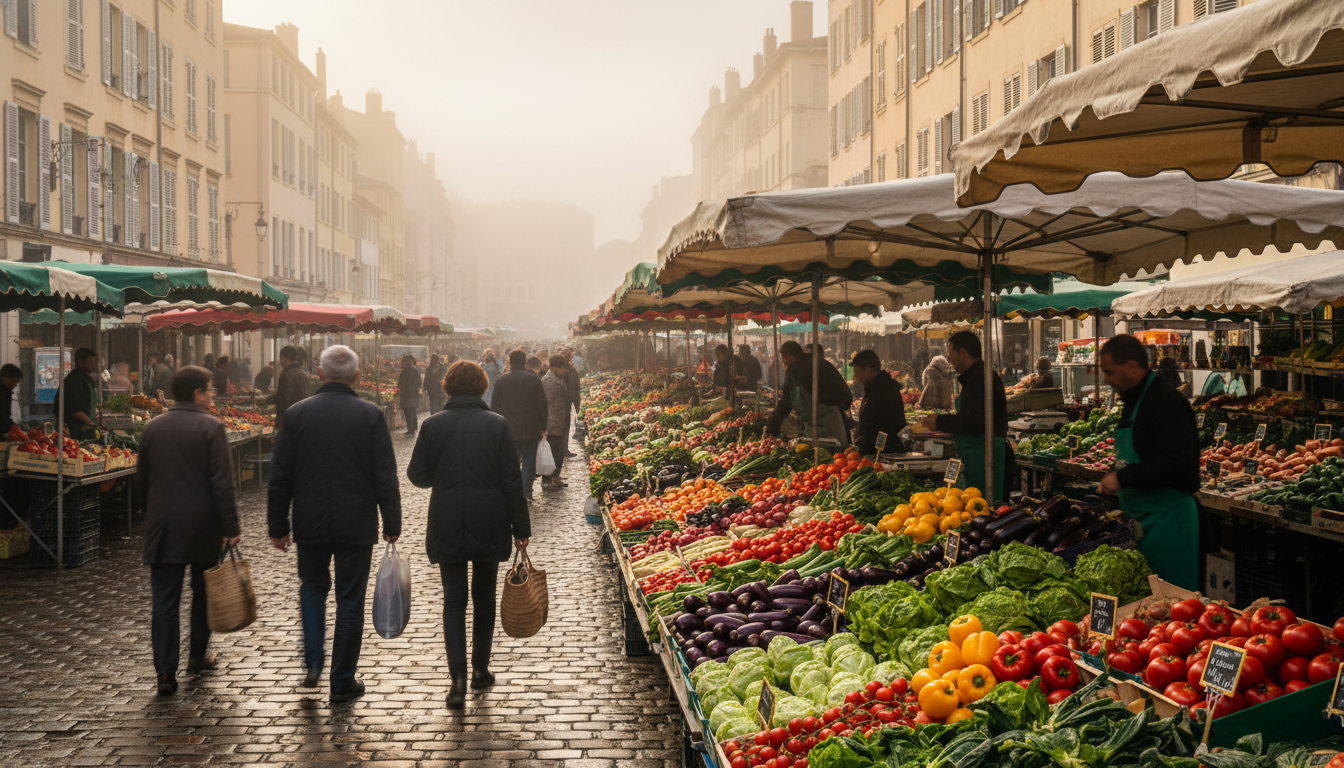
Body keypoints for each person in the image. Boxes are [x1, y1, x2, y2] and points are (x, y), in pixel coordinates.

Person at [267, 346, 401, 702]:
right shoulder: (370, 415)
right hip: (355, 522)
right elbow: (384, 474)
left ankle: (313, 662)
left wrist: (278, 525)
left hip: (309, 520)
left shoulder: (296, 414)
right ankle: (341, 679)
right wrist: (392, 520)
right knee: (349, 599)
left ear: (320, 374)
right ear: (356, 376)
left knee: (312, 589)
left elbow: (280, 475)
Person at [407, 361, 531, 709]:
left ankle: (457, 681)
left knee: (453, 601)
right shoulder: (496, 426)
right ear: (481, 387)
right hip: (489, 517)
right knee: (484, 598)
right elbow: (511, 481)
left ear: (447, 386)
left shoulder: (433, 425)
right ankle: (480, 669)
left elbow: (416, 474)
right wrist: (521, 529)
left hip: (447, 517)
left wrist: (444, 478)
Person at [137, 365, 239, 696]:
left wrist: (151, 512)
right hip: (202, 525)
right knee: (202, 593)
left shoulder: (153, 428)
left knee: (165, 601)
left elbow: (141, 480)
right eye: (211, 391)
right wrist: (231, 526)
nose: (213, 397)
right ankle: (197, 655)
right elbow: (222, 484)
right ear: (197, 393)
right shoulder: (212, 428)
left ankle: (165, 673)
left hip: (163, 525)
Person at [1096, 334, 1200, 590]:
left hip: (1170, 524)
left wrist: (1122, 477)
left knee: (1173, 607)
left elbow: (1178, 462)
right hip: (1141, 520)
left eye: (1109, 372)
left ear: (1131, 366)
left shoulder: (1166, 402)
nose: (1106, 379)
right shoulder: (1133, 400)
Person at [918, 331, 1008, 502]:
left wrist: (940, 421)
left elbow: (975, 421)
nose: (949, 360)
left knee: (983, 506)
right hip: (976, 453)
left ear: (963, 353)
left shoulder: (981, 378)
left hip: (985, 454)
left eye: (951, 354)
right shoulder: (974, 377)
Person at [766, 341, 853, 447]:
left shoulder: (818, 365)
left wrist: (840, 406)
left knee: (835, 457)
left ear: (792, 356)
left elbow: (844, 392)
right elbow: (786, 401)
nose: (783, 361)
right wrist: (773, 423)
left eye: (784, 357)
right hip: (812, 425)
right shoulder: (792, 372)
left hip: (831, 422)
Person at [490, 350, 549, 500]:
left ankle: (513, 491)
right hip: (531, 426)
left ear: (509, 361)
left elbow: (494, 406)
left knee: (511, 462)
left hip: (508, 427)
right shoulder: (533, 379)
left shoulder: (501, 380)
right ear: (525, 361)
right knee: (529, 461)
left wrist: (497, 427)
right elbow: (542, 404)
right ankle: (526, 491)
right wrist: (544, 425)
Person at [851, 351, 907, 455]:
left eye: (858, 372)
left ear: (869, 371)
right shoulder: (873, 389)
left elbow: (886, 428)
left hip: (883, 453)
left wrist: (878, 449)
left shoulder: (884, 391)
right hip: (873, 451)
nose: (855, 376)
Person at [540, 355, 571, 490]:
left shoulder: (556, 378)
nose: (563, 370)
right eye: (561, 367)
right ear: (553, 367)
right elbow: (546, 403)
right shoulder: (549, 380)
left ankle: (555, 476)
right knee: (552, 452)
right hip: (552, 422)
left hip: (559, 420)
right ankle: (548, 479)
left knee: (558, 451)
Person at [266, 347, 310, 433]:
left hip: (289, 418)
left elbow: (284, 397)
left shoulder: (287, 374)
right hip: (301, 416)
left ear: (286, 358)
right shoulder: (303, 373)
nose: (280, 361)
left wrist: (267, 400)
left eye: (281, 358)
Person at [64, 348, 100, 439]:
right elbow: (74, 410)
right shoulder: (75, 380)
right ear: (80, 363)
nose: (94, 365)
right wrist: (90, 423)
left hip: (87, 428)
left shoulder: (88, 379)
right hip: (77, 431)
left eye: (95, 362)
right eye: (90, 362)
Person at [561, 349, 581, 457]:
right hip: (565, 401)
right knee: (564, 426)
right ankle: (564, 449)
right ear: (570, 357)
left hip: (560, 400)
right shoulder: (570, 369)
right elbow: (574, 388)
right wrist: (577, 404)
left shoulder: (560, 369)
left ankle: (560, 449)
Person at [397, 355, 423, 436]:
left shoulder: (404, 372)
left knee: (408, 413)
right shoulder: (416, 370)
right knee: (413, 411)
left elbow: (401, 383)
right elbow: (419, 382)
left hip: (406, 395)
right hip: (414, 394)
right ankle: (414, 427)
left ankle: (410, 429)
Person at [1, 363, 23, 433]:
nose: (15, 384)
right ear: (6, 378)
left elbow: (6, 417)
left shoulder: (7, 391)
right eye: (15, 381)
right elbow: (2, 418)